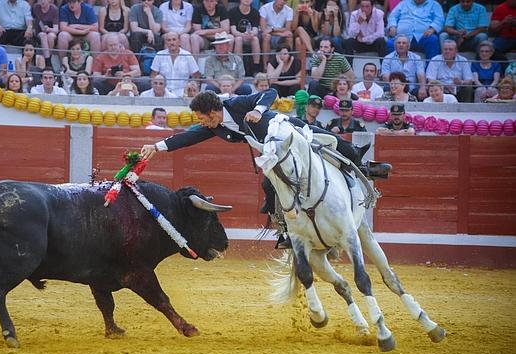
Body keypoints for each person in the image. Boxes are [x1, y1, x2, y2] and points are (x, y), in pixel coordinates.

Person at [139, 89, 391, 247]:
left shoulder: (237, 104)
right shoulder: (214, 127)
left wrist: (258, 110)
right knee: (270, 184)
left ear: (213, 111)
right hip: (274, 155)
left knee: (334, 142)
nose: (201, 122)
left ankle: (363, 168)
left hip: (290, 133)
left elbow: (269, 92)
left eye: (203, 117)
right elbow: (188, 137)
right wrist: (157, 146)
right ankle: (284, 231)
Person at [150, 31, 200, 97]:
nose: (171, 42)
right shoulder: (159, 55)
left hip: (183, 93)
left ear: (179, 41)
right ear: (166, 42)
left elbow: (196, 76)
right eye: (169, 40)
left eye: (174, 39)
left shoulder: (187, 55)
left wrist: (192, 90)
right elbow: (153, 75)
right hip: (163, 92)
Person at [381, 34, 427, 100]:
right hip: (394, 87)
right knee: (386, 88)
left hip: (412, 88)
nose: (401, 45)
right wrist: (397, 86)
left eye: (404, 43)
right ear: (395, 46)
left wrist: (422, 87)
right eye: (399, 43)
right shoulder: (388, 58)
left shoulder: (416, 58)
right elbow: (385, 76)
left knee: (423, 90)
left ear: (408, 46)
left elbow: (421, 74)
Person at [229, 0, 261, 75]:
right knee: (238, 39)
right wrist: (243, 35)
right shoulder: (232, 11)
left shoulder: (255, 12)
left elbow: (255, 30)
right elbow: (233, 30)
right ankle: (239, 66)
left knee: (255, 39)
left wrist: (251, 34)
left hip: (249, 36)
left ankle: (256, 67)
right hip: (238, 36)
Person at [259, 0, 293, 66]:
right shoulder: (265, 8)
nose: (282, 2)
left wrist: (272, 29)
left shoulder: (289, 10)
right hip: (270, 35)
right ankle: (266, 66)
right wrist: (279, 33)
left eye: (285, 0)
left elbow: (287, 28)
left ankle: (288, 65)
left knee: (289, 36)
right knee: (267, 36)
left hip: (279, 36)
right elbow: (264, 30)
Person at [32, 0, 59, 65]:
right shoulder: (36, 8)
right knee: (43, 35)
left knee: (50, 36)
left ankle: (48, 59)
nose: (42, 1)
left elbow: (56, 29)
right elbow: (36, 21)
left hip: (51, 31)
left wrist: (49, 29)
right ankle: (48, 62)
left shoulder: (54, 9)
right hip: (40, 32)